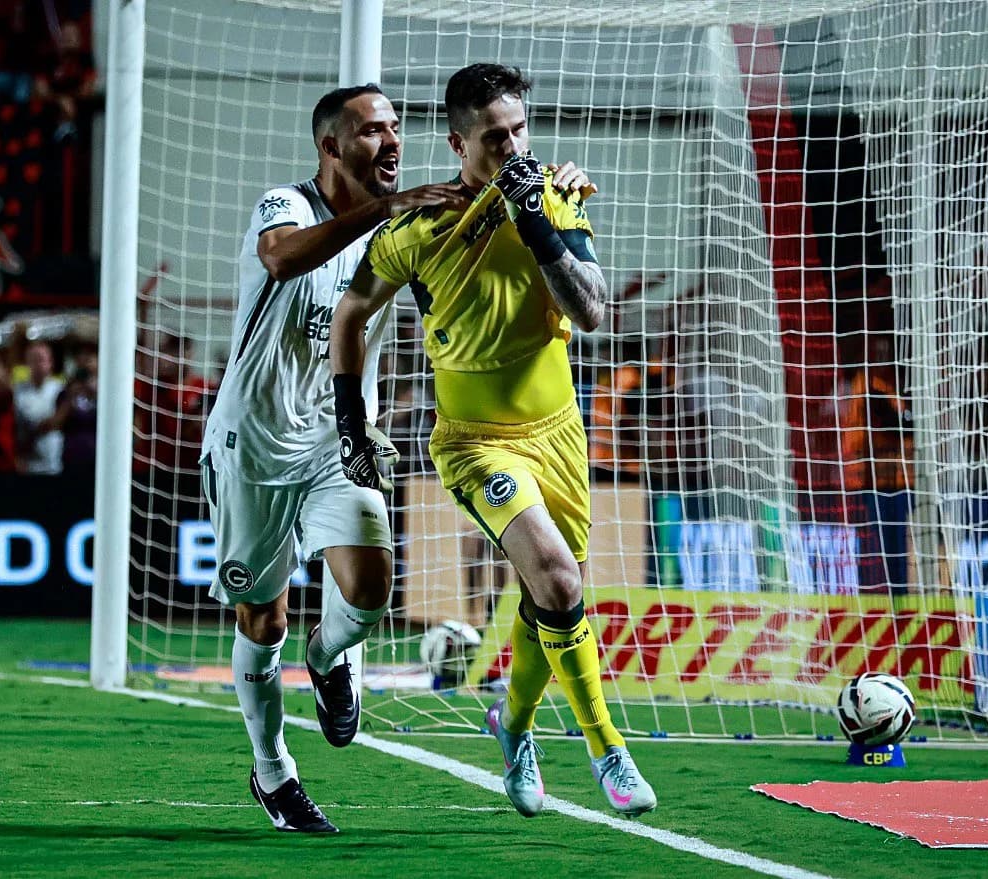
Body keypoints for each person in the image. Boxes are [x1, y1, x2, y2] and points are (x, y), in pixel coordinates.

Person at [330, 63, 656, 818]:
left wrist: (537, 219)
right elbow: (351, 316)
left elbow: (593, 309)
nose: (512, 147)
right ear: (457, 142)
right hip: (476, 439)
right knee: (560, 579)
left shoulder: (552, 195)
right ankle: (609, 747)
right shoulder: (415, 227)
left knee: (551, 593)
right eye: (493, 137)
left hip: (560, 432)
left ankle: (511, 727)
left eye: (519, 131)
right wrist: (355, 422)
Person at [201, 83, 470, 833]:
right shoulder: (285, 205)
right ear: (331, 147)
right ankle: (273, 771)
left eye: (394, 128)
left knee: (371, 587)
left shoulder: (399, 231)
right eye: (371, 131)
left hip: (334, 440)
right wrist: (388, 210)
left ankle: (328, 657)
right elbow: (280, 260)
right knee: (262, 617)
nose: (391, 141)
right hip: (252, 444)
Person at [13, 340, 64, 474]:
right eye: (33, 360)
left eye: (41, 359)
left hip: (55, 463)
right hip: (28, 464)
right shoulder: (18, 392)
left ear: (50, 362)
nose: (37, 365)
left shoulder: (60, 389)